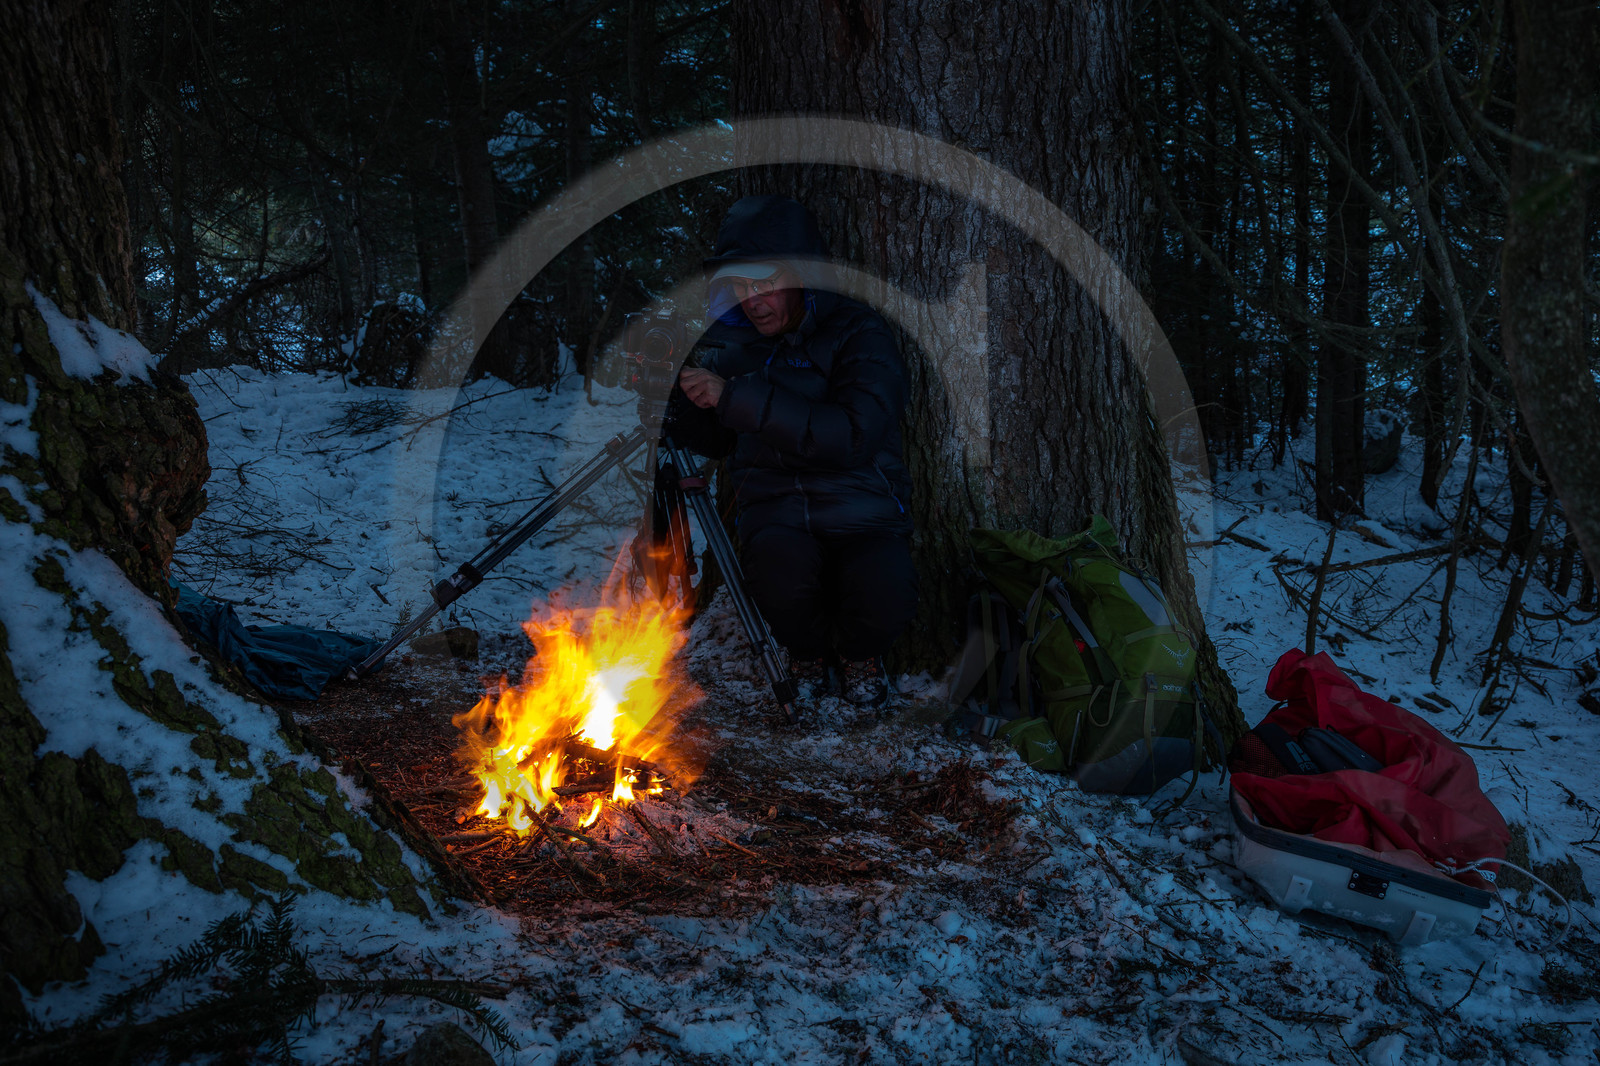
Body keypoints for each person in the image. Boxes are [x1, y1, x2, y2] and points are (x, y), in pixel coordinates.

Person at [669, 194, 916, 709]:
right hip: (776, 509)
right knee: (778, 575)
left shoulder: (859, 333)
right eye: (740, 286)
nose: (752, 301)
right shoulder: (737, 348)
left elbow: (855, 434)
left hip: (861, 504)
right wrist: (678, 399)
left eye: (764, 285)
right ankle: (806, 656)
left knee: (884, 586)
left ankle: (860, 658)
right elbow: (720, 440)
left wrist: (735, 398)